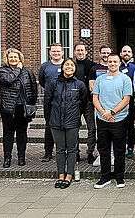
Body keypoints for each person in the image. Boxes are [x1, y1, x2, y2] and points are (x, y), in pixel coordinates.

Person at [45, 58, 87, 189]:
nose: (69, 67)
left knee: (72, 149)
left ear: (75, 69)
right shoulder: (53, 83)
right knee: (60, 149)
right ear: (62, 67)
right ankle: (60, 175)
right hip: (56, 121)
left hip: (72, 122)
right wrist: (50, 119)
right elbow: (47, 102)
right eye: (67, 64)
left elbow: (84, 103)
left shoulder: (80, 85)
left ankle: (69, 175)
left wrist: (75, 115)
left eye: (72, 65)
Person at [93, 54, 132, 189]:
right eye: (110, 61)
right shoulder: (100, 79)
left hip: (119, 119)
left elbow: (126, 99)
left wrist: (112, 112)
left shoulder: (125, 79)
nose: (112, 64)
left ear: (119, 63)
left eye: (115, 61)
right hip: (102, 119)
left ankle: (119, 177)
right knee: (103, 149)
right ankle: (105, 177)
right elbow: (95, 98)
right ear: (107, 63)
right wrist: (104, 113)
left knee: (119, 150)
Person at [0, 48, 38, 168]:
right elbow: (8, 80)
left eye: (16, 57)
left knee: (22, 133)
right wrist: (18, 69)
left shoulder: (27, 71)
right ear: (7, 59)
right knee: (8, 133)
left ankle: (21, 157)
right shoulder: (2, 71)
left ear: (20, 59)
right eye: (11, 57)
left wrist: (31, 104)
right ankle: (7, 158)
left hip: (22, 107)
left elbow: (33, 89)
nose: (13, 59)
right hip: (8, 107)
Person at [88, 46, 114, 167]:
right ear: (99, 54)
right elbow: (92, 89)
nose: (105, 55)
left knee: (114, 131)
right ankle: (101, 155)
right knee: (101, 132)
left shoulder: (115, 69)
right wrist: (102, 109)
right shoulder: (94, 69)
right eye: (103, 53)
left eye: (108, 53)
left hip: (114, 106)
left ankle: (112, 154)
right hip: (99, 106)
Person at [39, 42, 64, 162]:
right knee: (49, 126)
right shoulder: (45, 66)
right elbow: (42, 81)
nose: (56, 53)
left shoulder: (66, 64)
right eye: (54, 51)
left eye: (58, 51)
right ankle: (48, 152)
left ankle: (63, 150)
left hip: (64, 101)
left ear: (62, 52)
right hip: (49, 101)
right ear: (50, 52)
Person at [73, 42, 97, 164]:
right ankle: (75, 152)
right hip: (74, 103)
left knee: (91, 128)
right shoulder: (71, 65)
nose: (80, 52)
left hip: (88, 102)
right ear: (75, 52)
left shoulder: (92, 66)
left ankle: (90, 152)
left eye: (82, 50)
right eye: (78, 50)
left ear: (86, 52)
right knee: (74, 128)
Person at [119, 45, 135, 159]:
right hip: (118, 100)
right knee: (120, 125)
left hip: (131, 100)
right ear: (121, 54)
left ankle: (130, 148)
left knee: (130, 125)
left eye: (129, 52)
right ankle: (120, 147)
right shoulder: (116, 66)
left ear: (131, 55)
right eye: (124, 51)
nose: (126, 53)